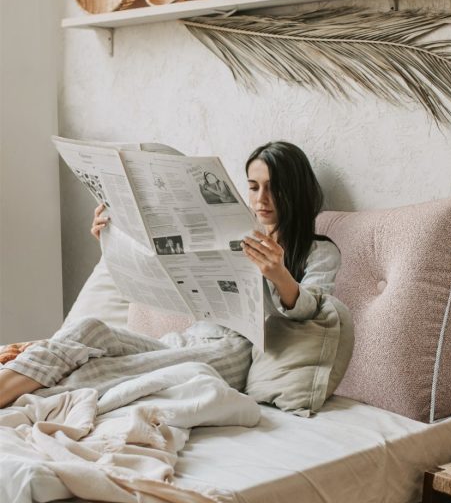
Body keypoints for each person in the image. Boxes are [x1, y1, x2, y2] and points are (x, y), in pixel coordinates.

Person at [0, 141, 341, 408]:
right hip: (189, 338)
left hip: (235, 352)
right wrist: (111, 236)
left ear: (295, 191)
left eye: (274, 188)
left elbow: (314, 309)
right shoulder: (233, 231)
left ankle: (21, 397)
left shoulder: (318, 251)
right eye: (254, 187)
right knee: (91, 330)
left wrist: (280, 275)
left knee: (113, 370)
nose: (261, 199)